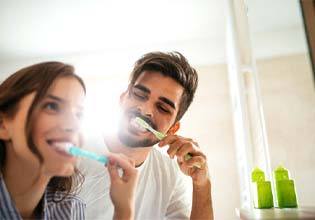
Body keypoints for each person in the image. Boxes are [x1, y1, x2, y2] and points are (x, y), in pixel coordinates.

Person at [79, 52, 214, 219]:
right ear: (123, 98)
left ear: (173, 129)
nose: (145, 110)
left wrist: (202, 184)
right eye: (139, 95)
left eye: (163, 108)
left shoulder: (169, 175)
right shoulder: (73, 152)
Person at [0, 62, 139, 220]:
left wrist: (124, 209)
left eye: (78, 114)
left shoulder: (70, 209)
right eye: (52, 106)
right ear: (2, 124)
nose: (74, 125)